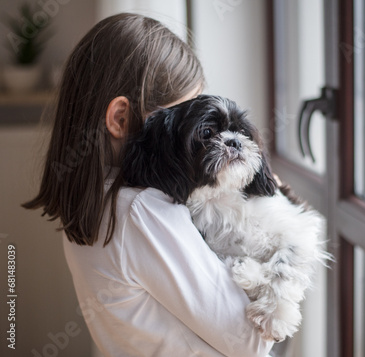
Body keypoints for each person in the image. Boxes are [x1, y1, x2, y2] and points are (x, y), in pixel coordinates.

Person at [23, 13, 273, 357]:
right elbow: (253, 341)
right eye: (181, 116)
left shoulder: (92, 205)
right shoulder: (142, 212)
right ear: (121, 119)